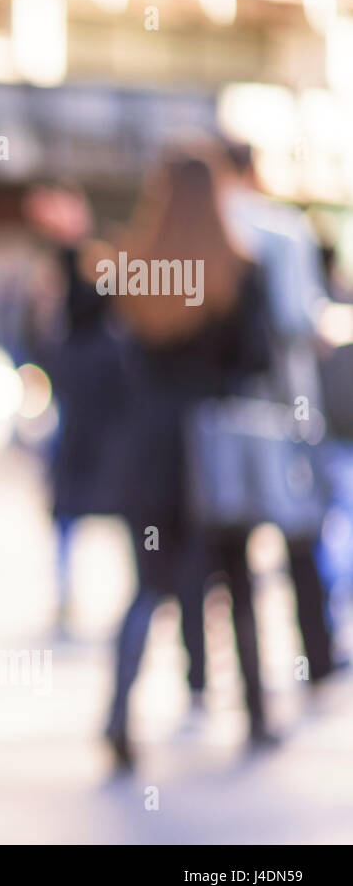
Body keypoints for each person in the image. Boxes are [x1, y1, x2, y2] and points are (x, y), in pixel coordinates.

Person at [101, 147, 275, 771]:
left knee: (149, 586)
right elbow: (256, 361)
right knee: (237, 581)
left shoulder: (137, 269)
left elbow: (112, 363)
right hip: (215, 448)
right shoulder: (237, 269)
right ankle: (255, 714)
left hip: (149, 447)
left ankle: (120, 711)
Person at [216, 140, 338, 694]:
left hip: (219, 411)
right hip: (285, 404)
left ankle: (230, 685)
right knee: (299, 533)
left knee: (229, 549)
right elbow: (299, 316)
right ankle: (315, 655)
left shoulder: (197, 229)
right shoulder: (281, 229)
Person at [24, 184, 130, 640]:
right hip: (102, 427)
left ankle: (69, 591)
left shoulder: (68, 337)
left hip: (80, 424)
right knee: (117, 508)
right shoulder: (108, 338)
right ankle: (128, 589)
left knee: (72, 513)